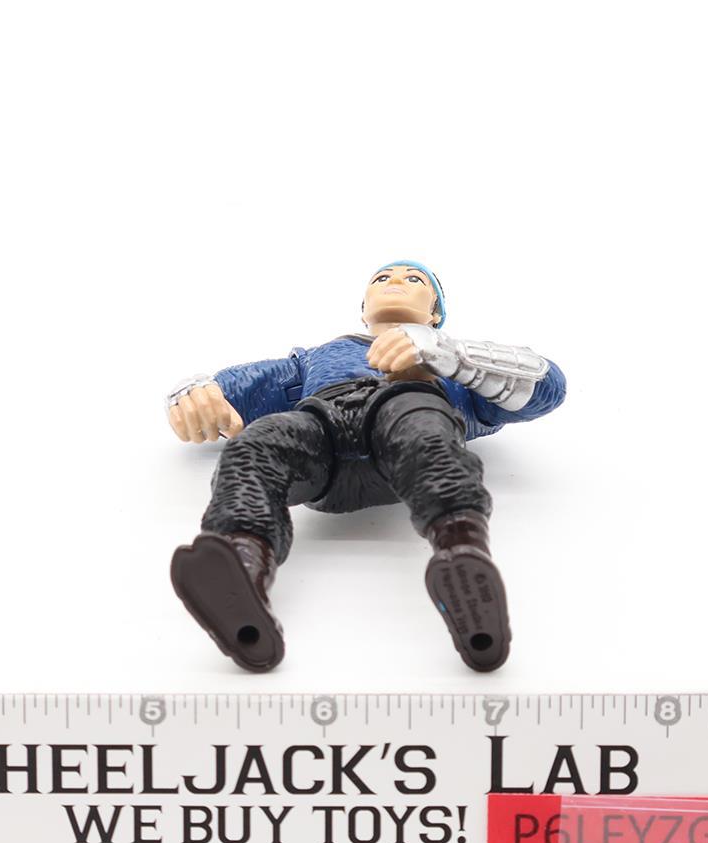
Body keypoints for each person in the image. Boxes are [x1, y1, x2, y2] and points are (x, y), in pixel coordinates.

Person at [165, 260, 566, 672]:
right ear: (363, 309)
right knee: (257, 446)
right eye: (382, 278)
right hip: (321, 433)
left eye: (414, 279)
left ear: (435, 314)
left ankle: (462, 553)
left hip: (405, 429)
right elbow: (236, 387)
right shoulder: (319, 357)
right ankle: (241, 564)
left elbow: (547, 387)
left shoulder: (452, 366)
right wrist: (194, 394)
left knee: (428, 436)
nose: (395, 282)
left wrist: (453, 357)